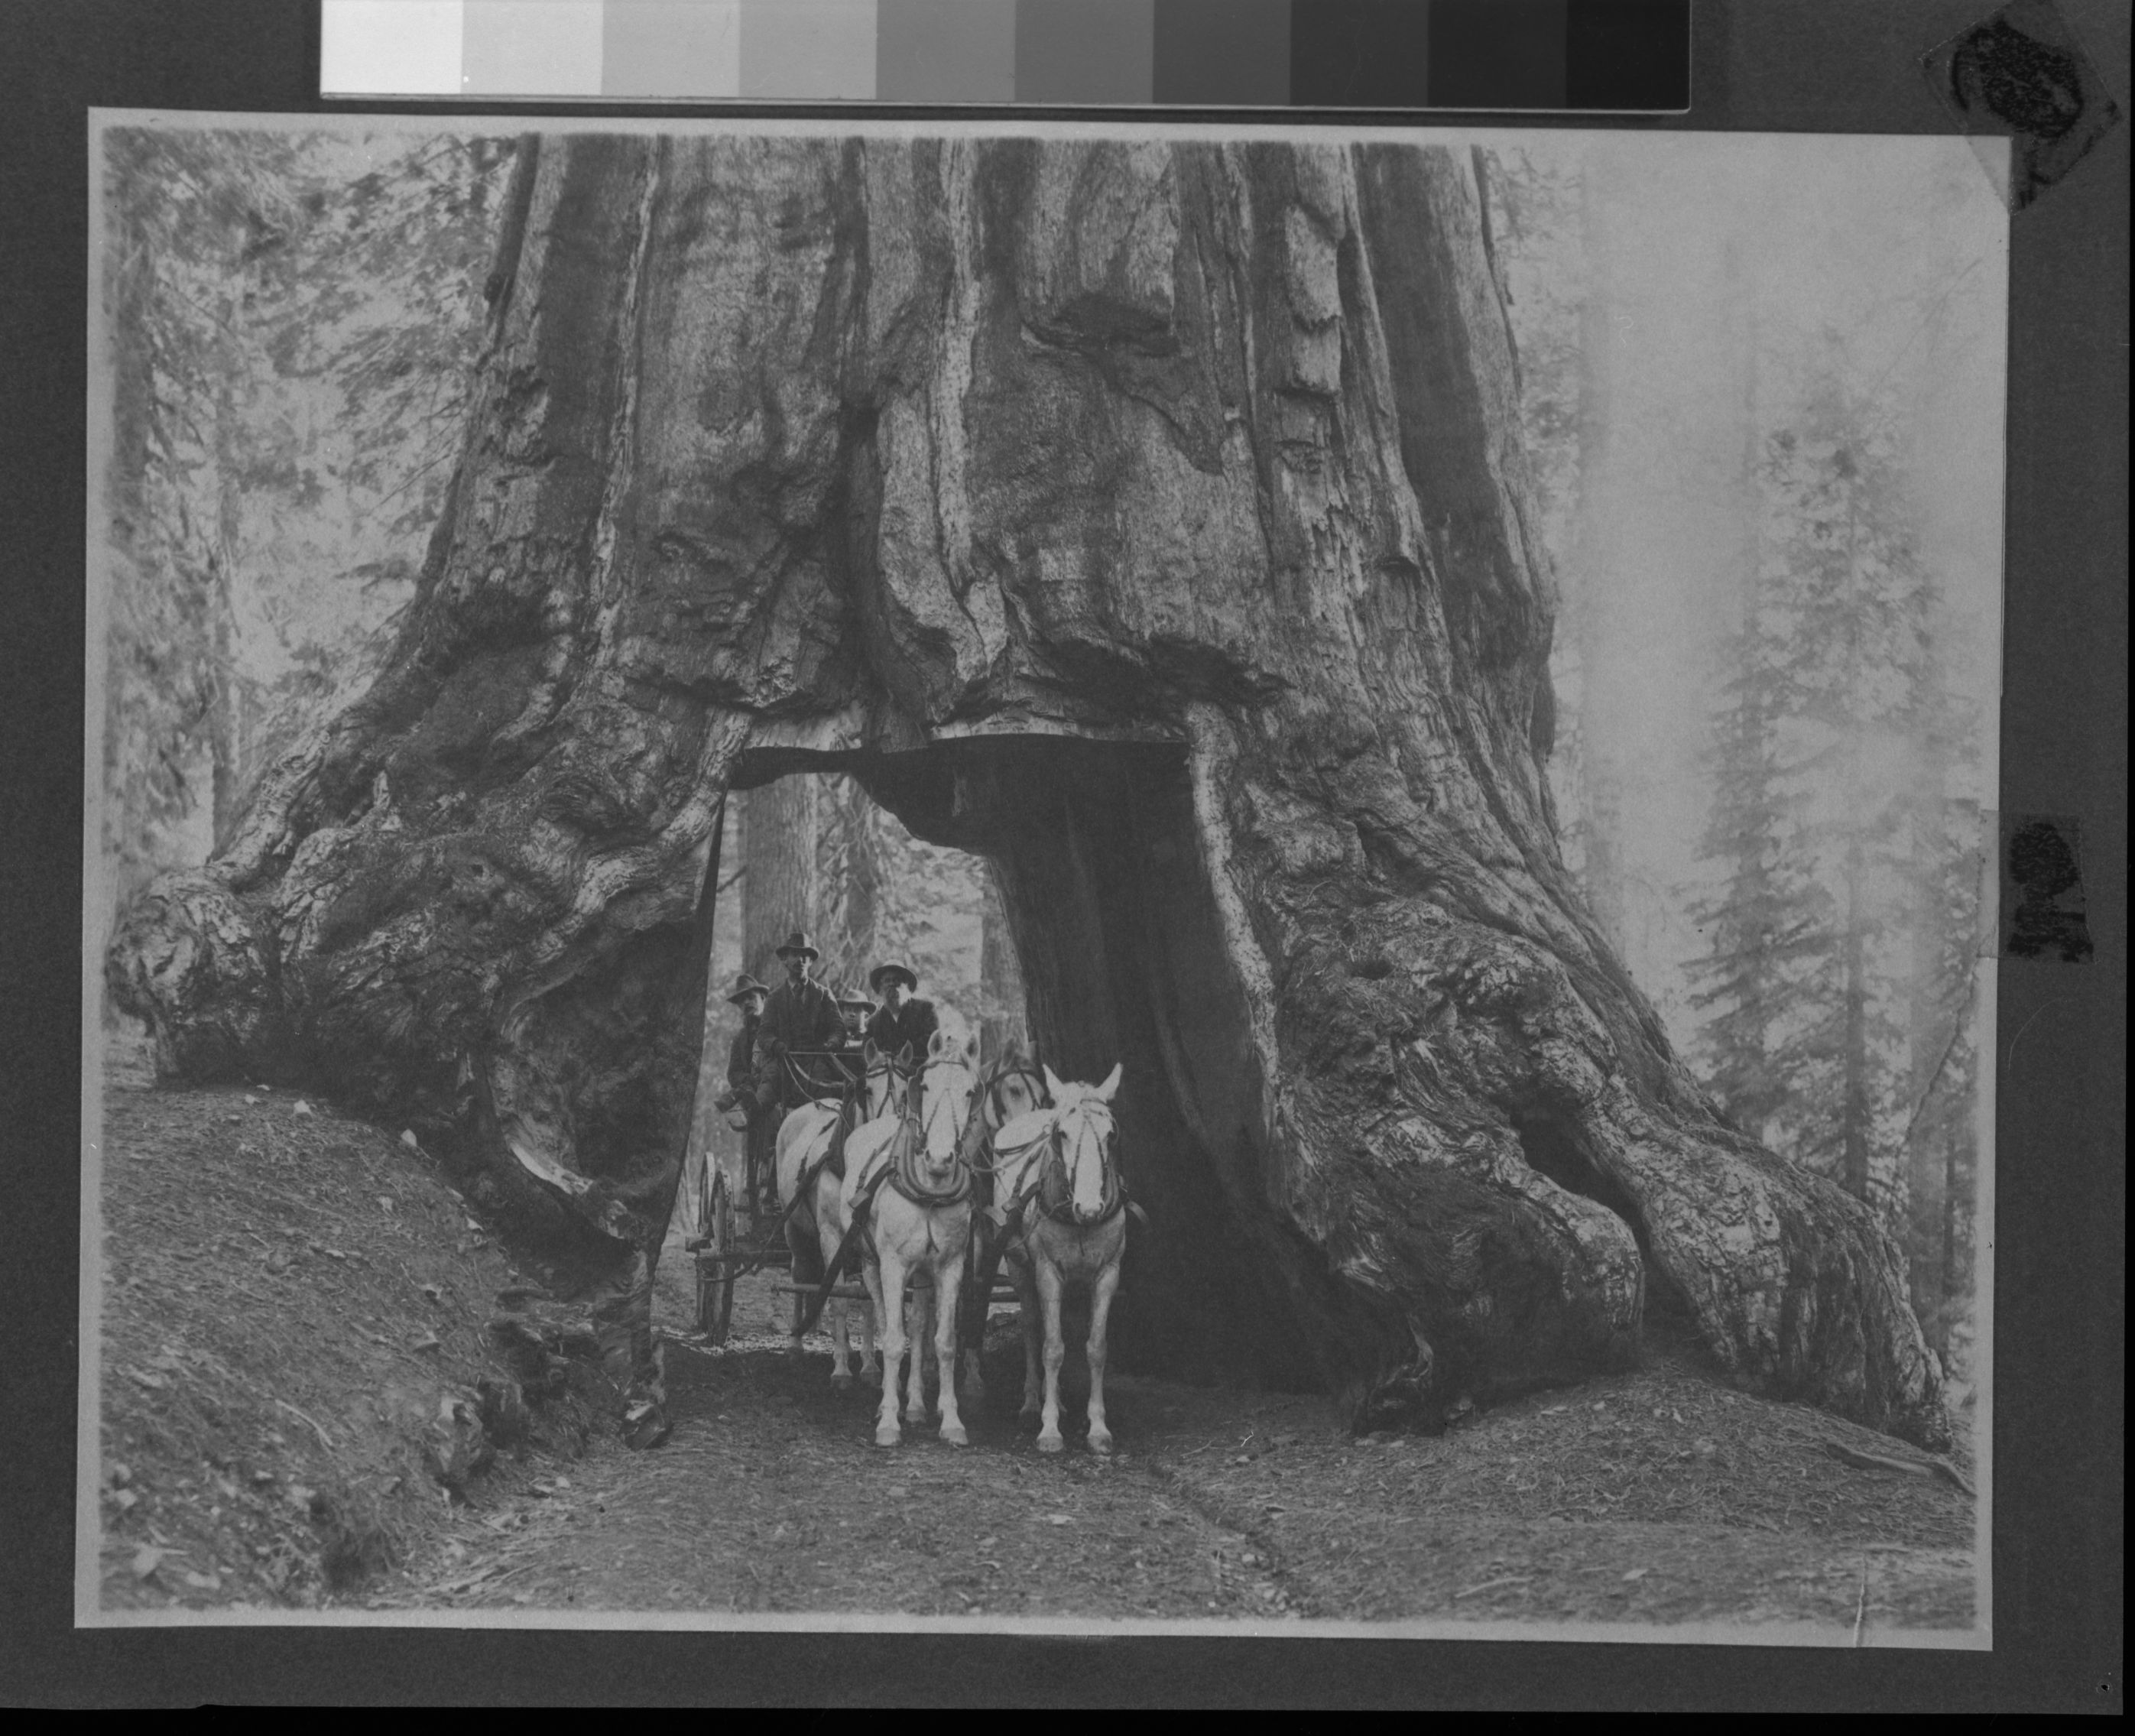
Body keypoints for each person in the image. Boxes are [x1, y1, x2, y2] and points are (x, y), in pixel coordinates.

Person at [754, 930, 845, 1116]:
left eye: (805, 956)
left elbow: (838, 1028)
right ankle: (752, 1115)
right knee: (767, 1087)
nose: (800, 960)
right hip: (784, 1061)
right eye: (795, 955)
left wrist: (832, 1043)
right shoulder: (774, 998)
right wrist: (776, 1045)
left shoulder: (823, 995)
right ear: (785, 960)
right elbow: (764, 1034)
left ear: (810, 962)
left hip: (816, 1061)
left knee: (827, 1094)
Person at [709, 974, 773, 1214]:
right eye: (742, 1001)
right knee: (761, 1125)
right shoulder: (740, 1039)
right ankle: (761, 1189)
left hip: (780, 1091)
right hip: (755, 1100)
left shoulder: (777, 1028)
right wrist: (748, 1082)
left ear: (763, 998)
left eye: (752, 997)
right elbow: (734, 1072)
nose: (747, 1003)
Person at [863, 961, 939, 1066]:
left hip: (920, 1072)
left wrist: (900, 1053)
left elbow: (932, 1040)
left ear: (907, 985)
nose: (892, 984)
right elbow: (868, 1050)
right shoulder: (874, 1023)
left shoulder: (925, 1010)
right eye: (887, 981)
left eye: (897, 980)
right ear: (881, 988)